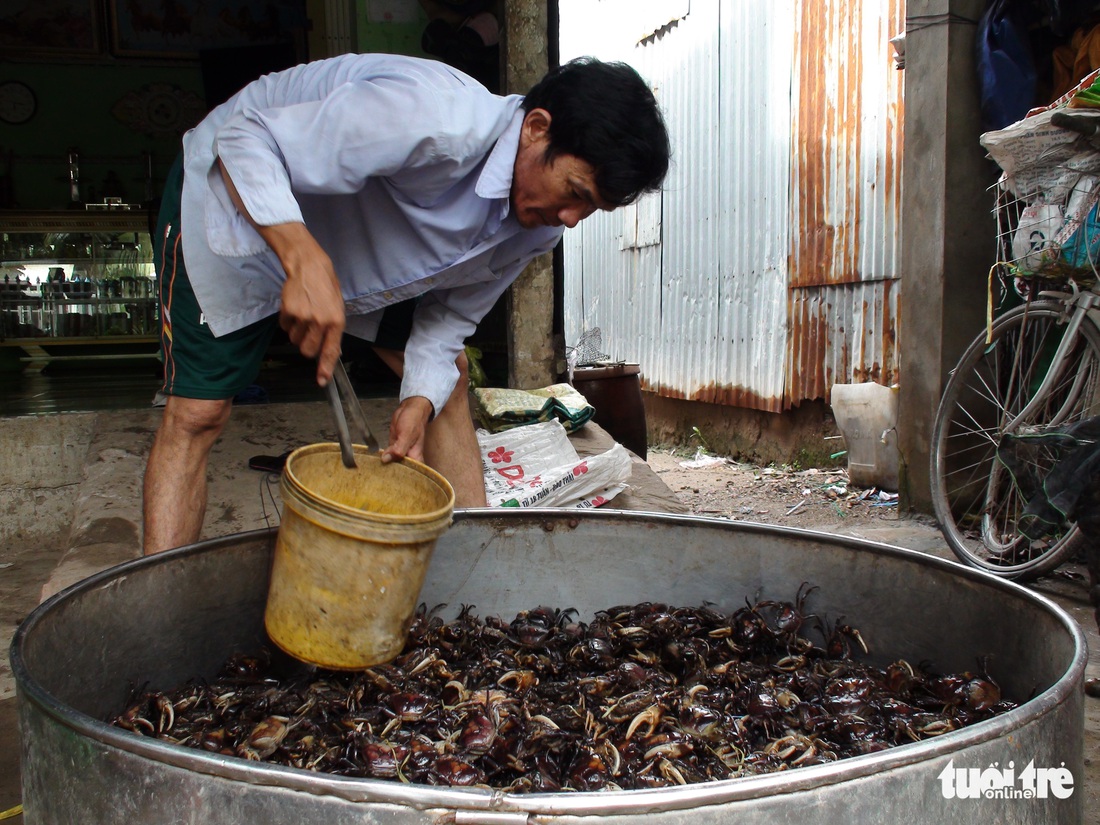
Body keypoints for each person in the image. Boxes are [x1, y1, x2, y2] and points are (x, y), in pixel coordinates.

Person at [143, 53, 671, 555]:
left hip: (357, 245)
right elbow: (247, 139)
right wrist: (302, 257)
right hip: (234, 193)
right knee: (198, 414)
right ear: (535, 127)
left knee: (447, 382)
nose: (573, 218)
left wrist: (416, 403)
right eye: (574, 191)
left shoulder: (538, 230)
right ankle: (158, 606)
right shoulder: (435, 120)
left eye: (591, 209)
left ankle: (477, 574)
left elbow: (447, 326)